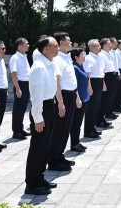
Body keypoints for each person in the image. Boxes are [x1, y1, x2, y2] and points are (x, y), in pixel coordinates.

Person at [25, 36, 59, 195]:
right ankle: (32, 183)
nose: (58, 48)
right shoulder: (39, 67)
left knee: (45, 146)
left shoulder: (49, 64)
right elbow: (37, 94)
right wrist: (37, 117)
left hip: (49, 105)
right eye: (55, 45)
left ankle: (40, 177)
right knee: (38, 148)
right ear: (46, 49)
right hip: (42, 108)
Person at [48, 32, 78, 171]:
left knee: (66, 128)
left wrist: (76, 96)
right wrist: (60, 102)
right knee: (59, 129)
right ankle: (53, 160)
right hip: (63, 96)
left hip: (70, 94)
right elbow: (57, 82)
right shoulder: (57, 59)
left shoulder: (67, 57)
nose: (71, 43)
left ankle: (59, 155)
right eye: (68, 40)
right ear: (61, 43)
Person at [69, 48, 91, 151]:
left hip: (84, 97)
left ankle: (77, 142)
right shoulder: (74, 67)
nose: (84, 56)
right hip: (79, 99)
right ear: (76, 57)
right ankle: (74, 144)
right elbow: (74, 85)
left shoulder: (81, 66)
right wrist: (77, 98)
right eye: (82, 54)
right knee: (76, 123)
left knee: (78, 122)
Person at [10, 37, 31, 140]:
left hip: (26, 84)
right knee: (18, 109)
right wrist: (18, 89)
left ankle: (20, 128)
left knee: (23, 108)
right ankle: (16, 131)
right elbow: (14, 74)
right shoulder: (15, 58)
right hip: (20, 84)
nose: (28, 45)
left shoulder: (24, 56)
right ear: (20, 46)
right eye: (26, 44)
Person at [83, 39, 105, 137]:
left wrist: (103, 83)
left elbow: (100, 72)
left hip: (99, 81)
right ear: (91, 47)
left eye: (99, 45)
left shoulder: (98, 57)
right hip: (93, 82)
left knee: (96, 106)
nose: (99, 47)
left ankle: (92, 128)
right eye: (97, 46)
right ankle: (88, 131)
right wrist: (89, 87)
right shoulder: (89, 58)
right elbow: (87, 73)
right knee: (91, 108)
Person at [100, 38, 118, 125]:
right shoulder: (101, 55)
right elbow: (102, 70)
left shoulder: (109, 53)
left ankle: (103, 117)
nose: (111, 45)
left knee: (109, 97)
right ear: (104, 45)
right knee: (105, 99)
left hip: (112, 75)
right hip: (106, 77)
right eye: (109, 44)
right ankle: (100, 119)